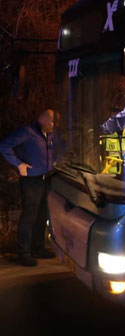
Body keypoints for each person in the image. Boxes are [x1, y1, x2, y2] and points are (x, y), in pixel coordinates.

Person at [0, 110, 61, 266]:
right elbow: (4, 146)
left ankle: (37, 248)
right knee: (29, 216)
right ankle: (23, 253)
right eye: (52, 121)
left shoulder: (50, 134)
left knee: (43, 214)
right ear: (43, 119)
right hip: (31, 181)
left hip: (46, 179)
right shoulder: (27, 132)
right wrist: (19, 164)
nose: (54, 125)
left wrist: (56, 161)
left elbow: (55, 149)